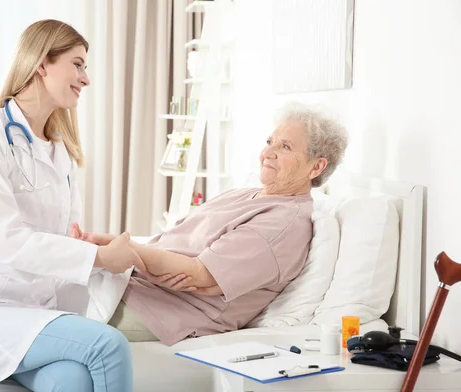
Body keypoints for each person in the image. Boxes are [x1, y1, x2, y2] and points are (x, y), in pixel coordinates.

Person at [0, 19, 143, 392]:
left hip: (32, 314)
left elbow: (59, 241)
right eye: (77, 64)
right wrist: (97, 257)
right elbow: (4, 242)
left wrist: (85, 247)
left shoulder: (58, 149)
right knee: (107, 346)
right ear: (42, 63)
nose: (86, 78)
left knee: (73, 383)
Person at [72, 103, 349, 345]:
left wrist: (127, 250)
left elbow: (198, 276)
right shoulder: (247, 194)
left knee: (50, 317)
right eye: (269, 141)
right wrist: (111, 245)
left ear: (316, 167)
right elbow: (177, 242)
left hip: (162, 311)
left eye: (285, 146)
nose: (268, 152)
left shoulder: (284, 225)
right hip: (139, 286)